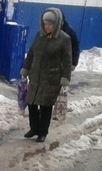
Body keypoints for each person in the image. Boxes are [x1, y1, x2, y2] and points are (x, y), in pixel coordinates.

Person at [20, 8, 72, 143]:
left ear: (57, 24)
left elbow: (67, 60)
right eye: (45, 24)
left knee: (45, 106)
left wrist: (65, 78)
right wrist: (25, 68)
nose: (47, 27)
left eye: (50, 24)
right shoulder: (39, 35)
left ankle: (43, 132)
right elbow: (31, 53)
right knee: (31, 103)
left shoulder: (64, 39)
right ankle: (34, 128)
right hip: (36, 76)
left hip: (51, 79)